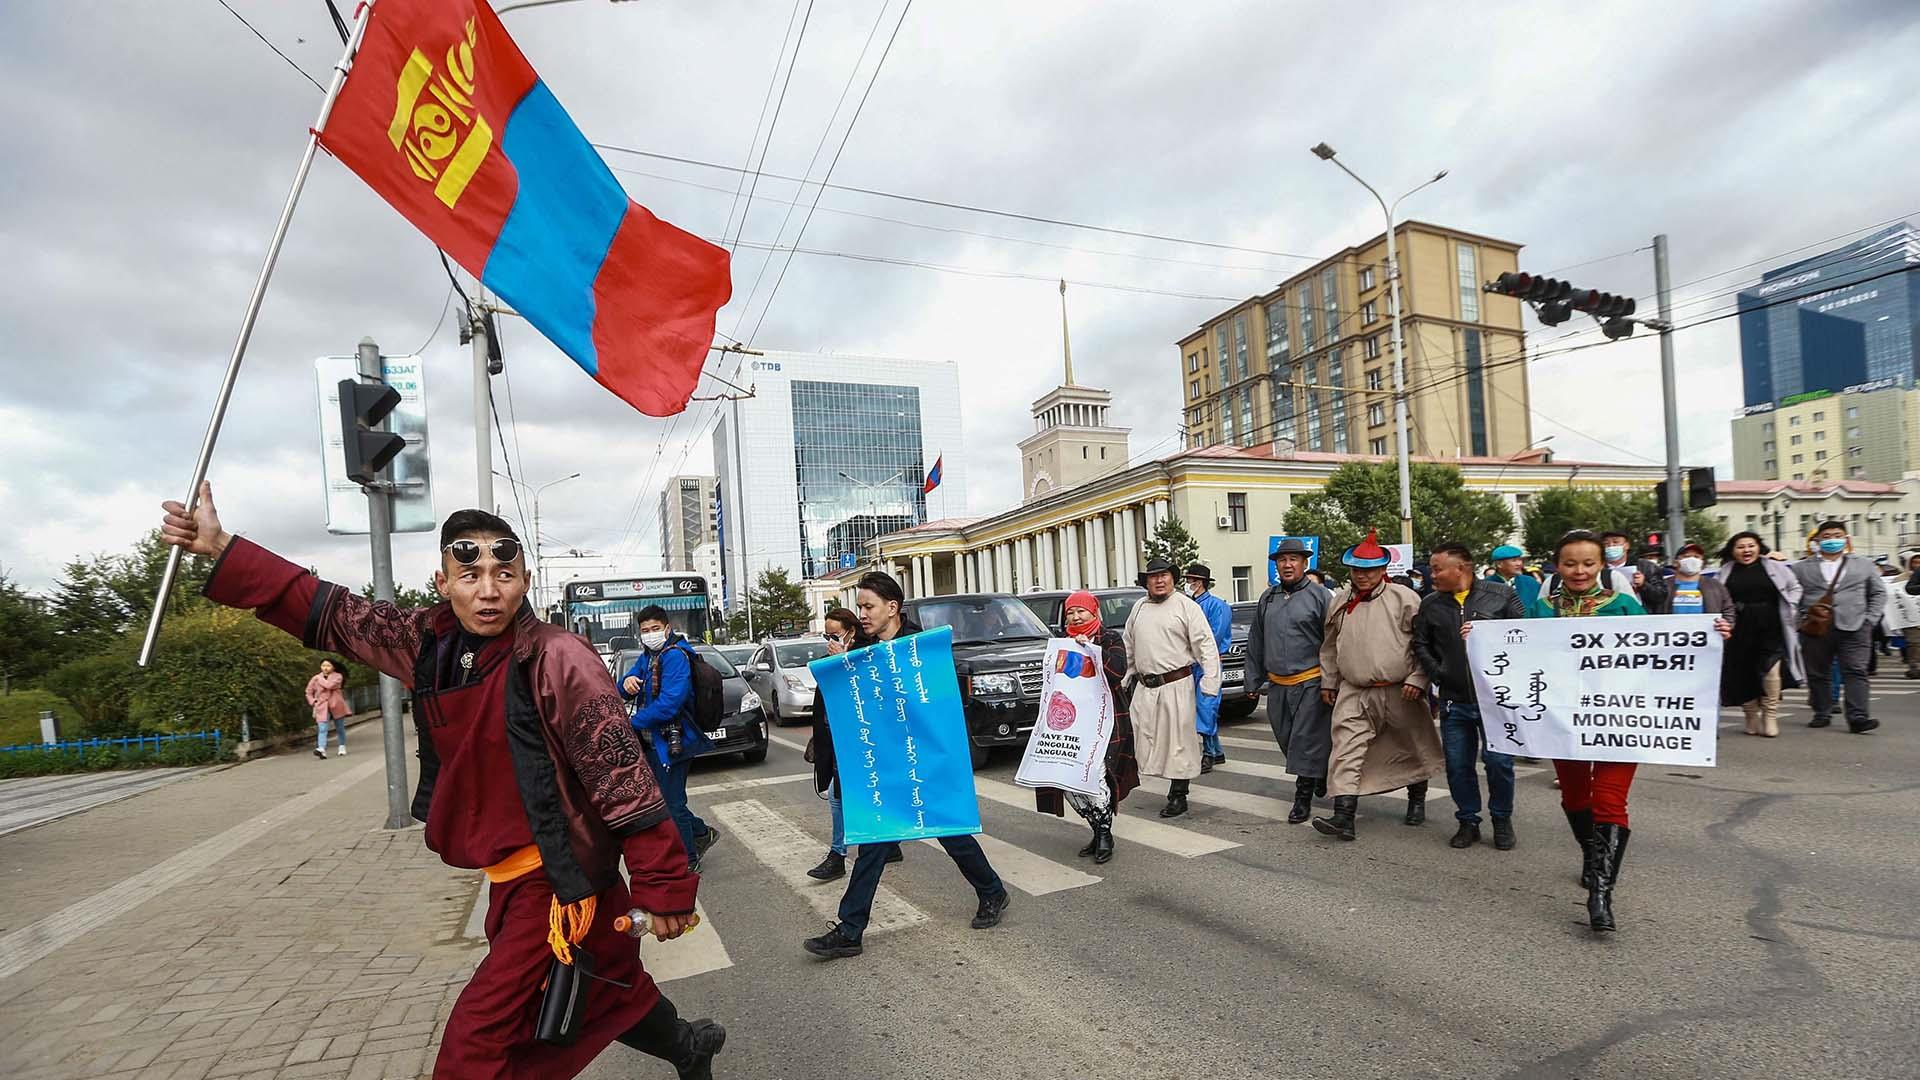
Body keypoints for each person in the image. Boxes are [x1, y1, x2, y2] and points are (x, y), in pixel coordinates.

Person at [160, 486, 723, 1079]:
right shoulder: (425, 647)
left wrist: (663, 886)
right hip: (506, 881)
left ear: (525, 580)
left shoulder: (558, 657)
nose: (487, 590)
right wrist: (220, 546)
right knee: (611, 987)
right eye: (469, 573)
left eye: (504, 573)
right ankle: (689, 1046)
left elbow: (622, 776)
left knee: (475, 1047)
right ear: (442, 582)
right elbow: (330, 610)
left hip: (559, 884)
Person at [1503, 529, 1728, 932]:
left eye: (1588, 563)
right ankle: (1592, 857)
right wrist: (1481, 639)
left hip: (1620, 720)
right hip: (1564, 722)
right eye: (1570, 563)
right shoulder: (1542, 610)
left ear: (1602, 565)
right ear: (1557, 565)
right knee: (1575, 796)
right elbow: (1517, 652)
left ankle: (1601, 894)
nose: (1579, 570)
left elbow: (1662, 650)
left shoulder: (1624, 605)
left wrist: (1713, 634)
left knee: (1609, 800)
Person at [804, 572, 1010, 960]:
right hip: (885, 769)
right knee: (873, 848)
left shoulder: (921, 650)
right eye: (860, 606)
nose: (861, 614)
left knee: (951, 834)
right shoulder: (861, 650)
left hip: (924, 761)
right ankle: (850, 929)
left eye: (869, 607)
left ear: (892, 608)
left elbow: (938, 706)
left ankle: (992, 891)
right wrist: (842, 668)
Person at [1312, 530, 1444, 842]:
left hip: (1401, 689)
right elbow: (1330, 646)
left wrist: (1418, 678)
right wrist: (1329, 681)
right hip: (1354, 690)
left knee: (1413, 744)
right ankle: (1344, 816)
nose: (1362, 576)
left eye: (1369, 570)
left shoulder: (1406, 599)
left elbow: (1424, 644)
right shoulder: (1340, 602)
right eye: (1357, 570)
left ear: (1383, 570)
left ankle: (1417, 798)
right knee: (1345, 749)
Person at [1413, 543, 1523, 851]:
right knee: (1458, 764)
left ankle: (1501, 819)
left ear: (1461, 568)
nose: (1431, 575)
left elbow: (1525, 637)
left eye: (1437, 569)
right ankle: (1467, 820)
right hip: (1454, 698)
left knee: (1499, 763)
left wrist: (1489, 633)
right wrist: (1439, 673)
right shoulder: (1431, 604)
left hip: (1496, 700)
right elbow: (1421, 644)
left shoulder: (1500, 596)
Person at [1034, 591, 1139, 863]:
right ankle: (1096, 828)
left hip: (1104, 721)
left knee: (1098, 776)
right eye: (1070, 612)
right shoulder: (1060, 643)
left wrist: (1091, 651)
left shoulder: (1110, 639)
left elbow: (1117, 673)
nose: (1076, 616)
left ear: (1094, 613)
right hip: (1071, 723)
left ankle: (1105, 833)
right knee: (1068, 780)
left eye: (1081, 611)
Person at [805, 608, 903, 881]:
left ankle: (840, 855)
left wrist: (844, 661)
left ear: (850, 630)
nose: (830, 639)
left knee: (844, 794)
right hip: (839, 736)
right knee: (844, 793)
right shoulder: (838, 654)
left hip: (864, 739)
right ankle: (884, 846)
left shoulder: (865, 652)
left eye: (835, 633)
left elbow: (870, 692)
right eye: (827, 634)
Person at [1123, 558, 1225, 818]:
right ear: (1146, 581)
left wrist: (1210, 683)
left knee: (1179, 743)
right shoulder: (1138, 608)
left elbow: (1206, 646)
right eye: (1153, 576)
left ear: (1172, 578)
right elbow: (1129, 647)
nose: (1159, 580)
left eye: (1164, 575)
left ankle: (1179, 794)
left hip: (1176, 686)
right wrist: (1123, 677)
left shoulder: (1186, 607)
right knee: (1141, 738)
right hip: (1145, 688)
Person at [622, 608, 720, 873]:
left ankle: (688, 859)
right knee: (665, 800)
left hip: (673, 740)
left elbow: (669, 704)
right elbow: (624, 686)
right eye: (644, 631)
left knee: (672, 803)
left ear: (667, 628)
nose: (650, 635)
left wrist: (630, 724)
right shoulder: (649, 656)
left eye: (655, 629)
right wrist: (627, 681)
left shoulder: (675, 656)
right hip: (654, 742)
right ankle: (700, 832)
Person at [1244, 538, 1333, 824]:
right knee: (1286, 739)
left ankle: (1302, 798)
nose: (1287, 564)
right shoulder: (1268, 598)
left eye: (1293, 559)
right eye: (1282, 560)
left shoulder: (1321, 596)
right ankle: (1317, 771)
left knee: (1304, 740)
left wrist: (1332, 680)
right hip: (1277, 685)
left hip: (1311, 681)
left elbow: (1333, 642)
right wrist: (1252, 679)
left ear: (1305, 563)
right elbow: (1256, 639)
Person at [1792, 520, 1886, 734]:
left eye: (1837, 535)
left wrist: (1870, 619)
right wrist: (1799, 622)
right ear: (1817, 540)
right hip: (1815, 628)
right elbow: (1792, 597)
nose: (1832, 540)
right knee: (1817, 672)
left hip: (1855, 626)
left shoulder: (1864, 564)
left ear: (1845, 539)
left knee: (1855, 670)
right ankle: (1822, 711)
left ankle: (1858, 717)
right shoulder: (1800, 568)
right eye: (1826, 536)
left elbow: (1878, 592)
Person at [1717, 532, 1803, 737]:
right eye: (1740, 547)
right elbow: (1720, 596)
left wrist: (1791, 604)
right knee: (1742, 672)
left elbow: (1795, 587)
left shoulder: (1774, 566)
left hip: (1770, 624)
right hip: (1739, 627)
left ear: (1758, 547)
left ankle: (1770, 714)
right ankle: (1750, 714)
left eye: (1750, 546)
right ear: (1732, 550)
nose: (1746, 550)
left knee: (1771, 671)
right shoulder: (1725, 571)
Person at [1184, 563, 1233, 772]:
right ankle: (1216, 750)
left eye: (1190, 581)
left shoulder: (1217, 606)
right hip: (1192, 663)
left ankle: (1208, 753)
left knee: (1206, 706)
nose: (1187, 584)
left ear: (1200, 582)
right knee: (1200, 708)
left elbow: (1214, 637)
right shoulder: (1189, 606)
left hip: (1209, 663)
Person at [1653, 542, 1734, 622]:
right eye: (1686, 556)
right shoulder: (1663, 585)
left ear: (1702, 563)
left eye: (1696, 557)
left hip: (1706, 633)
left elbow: (1728, 609)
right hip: (1670, 632)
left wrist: (1727, 624)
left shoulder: (1715, 586)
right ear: (1675, 563)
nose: (1692, 560)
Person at [305, 658, 350, 760]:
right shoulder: (315, 678)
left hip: (336, 704)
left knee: (339, 727)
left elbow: (329, 685)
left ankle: (342, 746)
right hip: (321, 706)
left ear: (333, 667)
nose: (325, 668)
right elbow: (308, 691)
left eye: (328, 666)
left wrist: (318, 678)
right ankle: (321, 749)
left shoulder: (338, 676)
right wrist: (313, 701)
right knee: (322, 728)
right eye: (323, 666)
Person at [1485, 544, 1541, 609]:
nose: (1519, 564)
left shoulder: (1530, 582)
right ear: (1499, 564)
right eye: (1514, 560)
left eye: (1520, 560)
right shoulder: (1486, 586)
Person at [1900, 552, 1920, 679]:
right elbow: (1909, 588)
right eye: (1915, 562)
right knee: (1914, 642)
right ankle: (1915, 668)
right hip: (1912, 613)